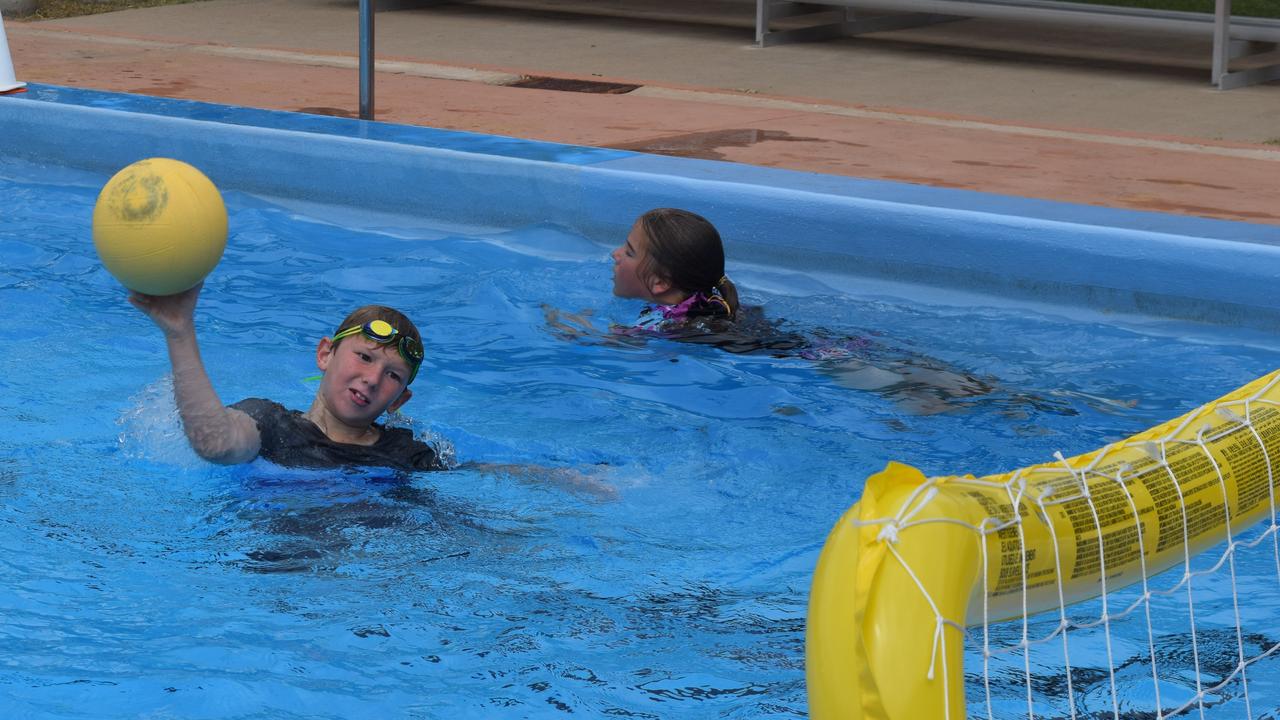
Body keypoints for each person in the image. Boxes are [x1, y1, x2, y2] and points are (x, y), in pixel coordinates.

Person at [548, 207, 1086, 417]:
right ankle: (1056, 400)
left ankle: (1026, 410)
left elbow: (620, 346)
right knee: (962, 385)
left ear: (660, 282)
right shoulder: (716, 300)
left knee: (927, 403)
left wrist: (571, 332)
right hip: (826, 345)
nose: (616, 255)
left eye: (629, 250)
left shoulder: (663, 326)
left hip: (818, 367)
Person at [130, 282, 445, 471]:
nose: (373, 378)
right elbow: (215, 444)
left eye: (392, 375)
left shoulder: (406, 454)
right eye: (364, 357)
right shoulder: (270, 425)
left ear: (399, 399)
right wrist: (180, 333)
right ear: (325, 354)